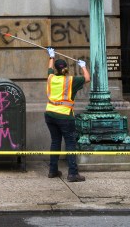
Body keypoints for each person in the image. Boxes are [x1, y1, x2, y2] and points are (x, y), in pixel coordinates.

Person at [44, 47, 90, 182]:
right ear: (65, 69)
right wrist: (83, 66)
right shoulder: (71, 81)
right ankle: (73, 174)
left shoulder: (51, 78)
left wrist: (51, 57)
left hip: (50, 114)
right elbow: (87, 78)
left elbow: (49, 69)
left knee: (55, 142)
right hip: (65, 116)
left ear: (57, 70)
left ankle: (52, 171)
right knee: (70, 143)